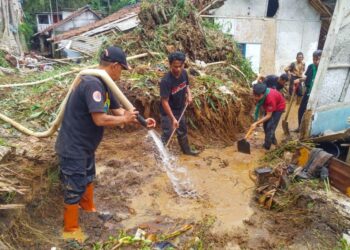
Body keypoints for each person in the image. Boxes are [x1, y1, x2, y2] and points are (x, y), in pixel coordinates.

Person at [55, 46, 156, 239]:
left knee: (88, 178)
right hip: (73, 146)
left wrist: (143, 122)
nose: (122, 74)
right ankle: (70, 230)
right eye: (122, 70)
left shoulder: (106, 83)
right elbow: (100, 119)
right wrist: (124, 120)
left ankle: (89, 213)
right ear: (115, 66)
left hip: (86, 146)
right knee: (74, 187)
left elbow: (120, 112)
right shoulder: (92, 83)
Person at [160, 51, 199, 155]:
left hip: (180, 108)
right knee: (168, 134)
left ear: (183, 65)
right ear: (170, 65)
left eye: (180, 66)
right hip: (168, 112)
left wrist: (189, 95)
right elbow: (164, 102)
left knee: (182, 130)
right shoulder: (166, 81)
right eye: (175, 66)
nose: (177, 69)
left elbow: (186, 86)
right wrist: (172, 119)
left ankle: (187, 151)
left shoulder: (184, 73)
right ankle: (160, 156)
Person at [249, 83, 286, 150]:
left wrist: (256, 123)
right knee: (265, 125)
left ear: (263, 94)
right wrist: (257, 121)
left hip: (279, 107)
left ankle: (266, 147)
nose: (256, 97)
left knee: (270, 127)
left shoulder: (270, 98)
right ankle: (273, 140)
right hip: (270, 107)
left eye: (258, 96)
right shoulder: (258, 94)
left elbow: (269, 115)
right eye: (255, 95)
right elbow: (259, 107)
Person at [293, 50, 322, 131]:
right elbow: (306, 77)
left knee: (313, 112)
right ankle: (300, 127)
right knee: (301, 109)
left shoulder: (323, 69)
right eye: (314, 59)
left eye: (318, 59)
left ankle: (311, 130)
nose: (315, 61)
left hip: (317, 94)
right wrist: (299, 80)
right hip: (308, 92)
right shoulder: (310, 67)